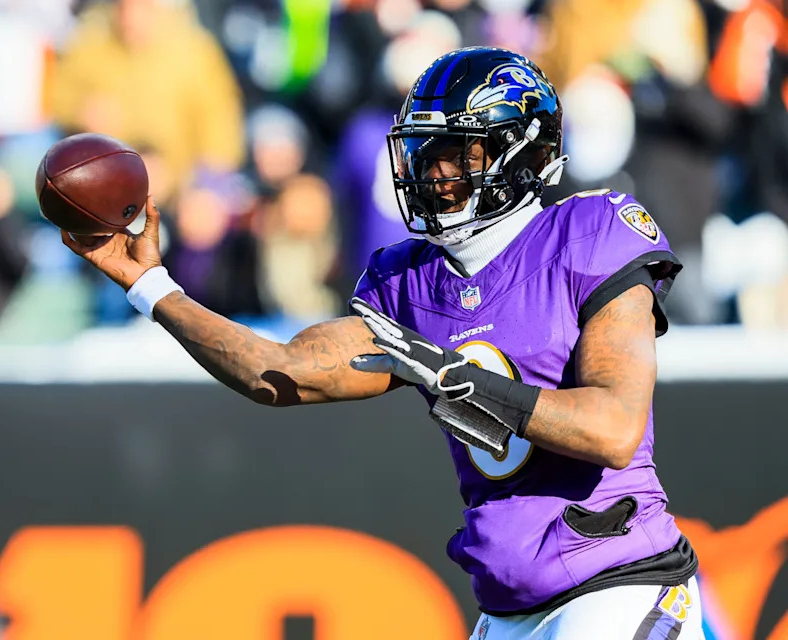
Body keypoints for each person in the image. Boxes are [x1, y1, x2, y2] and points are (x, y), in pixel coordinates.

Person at [63, 47, 703, 639]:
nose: (434, 170)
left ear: (522, 152)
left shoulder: (590, 230)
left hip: (620, 583)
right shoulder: (408, 279)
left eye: (458, 151)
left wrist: (450, 375)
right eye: (425, 151)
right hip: (508, 610)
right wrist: (150, 285)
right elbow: (277, 372)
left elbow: (614, 428)